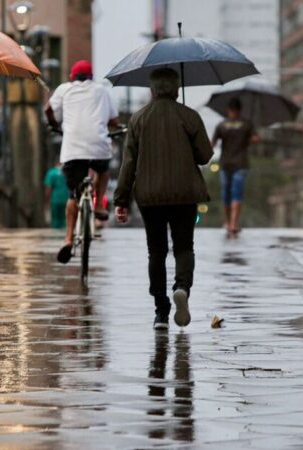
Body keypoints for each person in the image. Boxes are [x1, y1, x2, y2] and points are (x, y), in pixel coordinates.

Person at [114, 68, 213, 329]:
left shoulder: (138, 119)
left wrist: (120, 200)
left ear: (152, 90)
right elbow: (205, 156)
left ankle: (161, 311)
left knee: (156, 251)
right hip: (184, 193)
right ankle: (182, 288)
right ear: (177, 89)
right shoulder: (189, 116)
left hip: (149, 195)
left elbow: (128, 164)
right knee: (183, 247)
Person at [45, 60, 119, 263]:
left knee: (73, 195)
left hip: (73, 149)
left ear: (72, 76)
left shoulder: (64, 89)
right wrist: (115, 126)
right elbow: (113, 120)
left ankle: (68, 239)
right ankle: (99, 207)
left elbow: (48, 110)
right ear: (92, 77)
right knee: (103, 171)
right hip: (98, 147)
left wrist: (54, 125)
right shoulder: (102, 91)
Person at [210, 98, 259, 236]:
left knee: (233, 192)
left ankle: (232, 223)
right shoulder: (243, 124)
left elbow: (212, 144)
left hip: (234, 164)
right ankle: (230, 222)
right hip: (232, 164)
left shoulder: (225, 125)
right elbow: (256, 138)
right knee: (229, 193)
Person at [44, 161, 70, 229]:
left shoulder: (51, 173)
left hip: (55, 199)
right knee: (65, 218)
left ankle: (55, 233)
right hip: (67, 199)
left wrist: (47, 200)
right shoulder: (67, 172)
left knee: (55, 219)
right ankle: (64, 233)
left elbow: (48, 188)